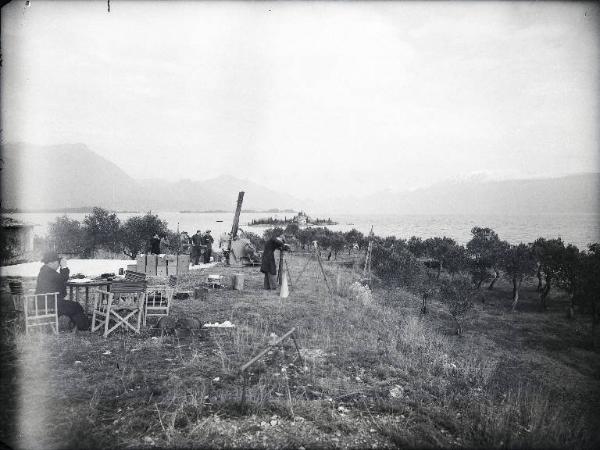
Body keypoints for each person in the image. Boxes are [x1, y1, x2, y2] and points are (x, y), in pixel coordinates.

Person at [35, 251, 89, 331]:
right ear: (51, 262)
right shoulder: (49, 272)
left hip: (45, 302)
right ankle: (84, 327)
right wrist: (64, 267)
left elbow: (60, 279)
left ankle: (77, 325)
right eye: (57, 262)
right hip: (49, 304)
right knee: (76, 306)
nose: (58, 265)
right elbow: (63, 278)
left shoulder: (45, 271)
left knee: (72, 306)